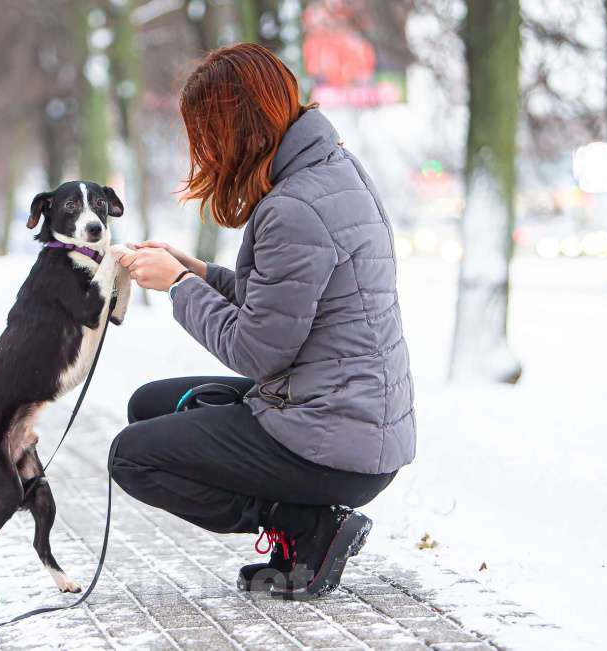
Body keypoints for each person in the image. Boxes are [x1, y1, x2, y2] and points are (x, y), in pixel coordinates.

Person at [112, 43, 416, 600]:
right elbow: (280, 302)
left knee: (133, 457)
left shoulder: (294, 207)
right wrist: (198, 270)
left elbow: (256, 351)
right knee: (150, 407)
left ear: (236, 127)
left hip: (337, 443)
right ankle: (302, 527)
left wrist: (178, 289)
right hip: (349, 419)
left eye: (205, 133)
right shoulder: (330, 169)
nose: (202, 150)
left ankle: (306, 527)